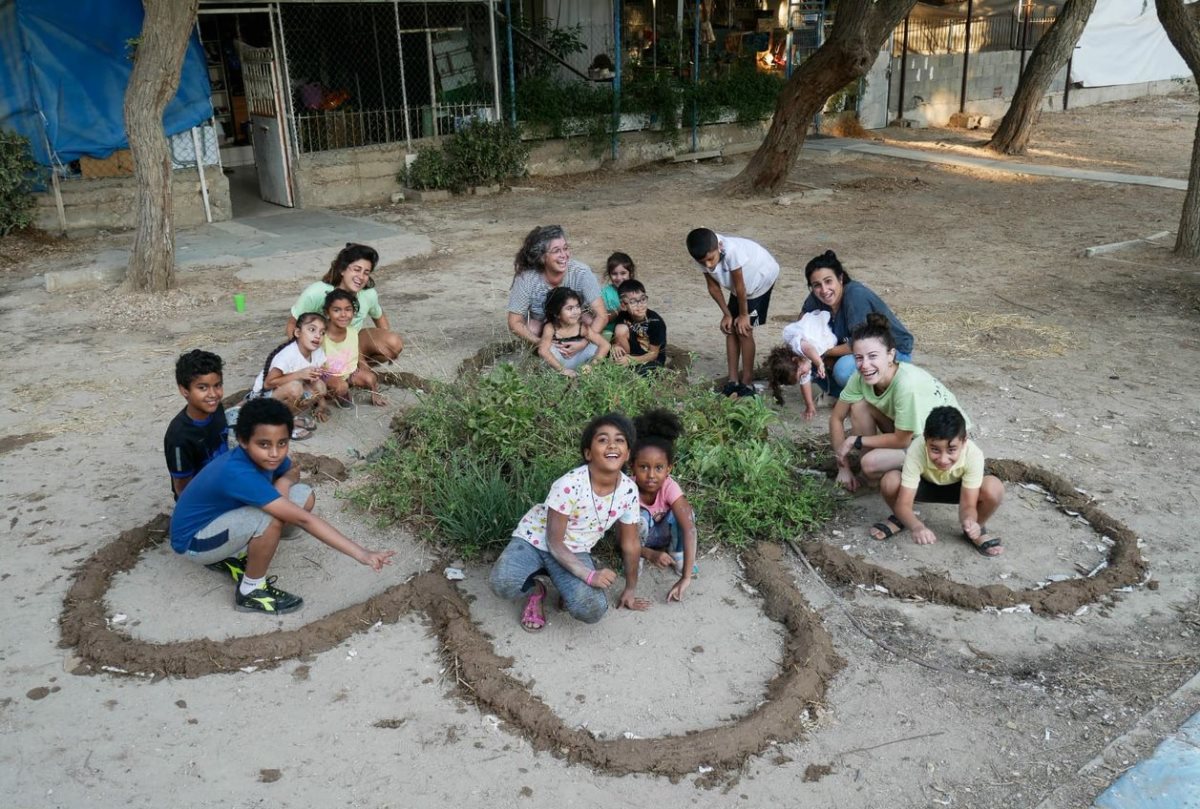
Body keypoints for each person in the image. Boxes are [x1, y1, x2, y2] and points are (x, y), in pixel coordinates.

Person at [168, 397, 395, 613]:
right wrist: (362, 554)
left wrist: (284, 483)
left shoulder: (263, 457)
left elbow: (291, 470)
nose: (275, 453)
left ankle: (239, 551)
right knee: (269, 518)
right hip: (193, 542)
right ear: (243, 441)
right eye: (264, 444)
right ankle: (251, 591)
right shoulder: (237, 472)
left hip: (218, 522)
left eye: (282, 443)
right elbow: (303, 519)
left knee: (304, 494)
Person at [488, 412, 651, 632]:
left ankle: (566, 587)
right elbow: (553, 542)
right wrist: (589, 575)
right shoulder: (569, 484)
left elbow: (631, 544)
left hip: (575, 549)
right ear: (588, 453)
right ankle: (536, 590)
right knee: (502, 583)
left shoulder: (628, 490)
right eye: (603, 440)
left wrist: (630, 588)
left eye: (620, 440)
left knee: (592, 609)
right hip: (535, 541)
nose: (612, 445)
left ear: (628, 453)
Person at [830, 314, 965, 493]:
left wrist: (857, 440)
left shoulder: (906, 384)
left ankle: (886, 476)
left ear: (890, 355)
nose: (865, 365)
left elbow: (902, 439)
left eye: (872, 356)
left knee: (871, 462)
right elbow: (836, 418)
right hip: (908, 432)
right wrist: (843, 467)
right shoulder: (859, 377)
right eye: (859, 358)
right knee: (859, 406)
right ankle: (870, 476)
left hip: (939, 443)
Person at [871, 406, 1005, 557]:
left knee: (993, 487)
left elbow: (968, 505)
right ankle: (901, 518)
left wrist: (970, 520)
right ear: (925, 439)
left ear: (964, 441)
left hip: (958, 490)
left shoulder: (973, 454)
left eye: (952, 450)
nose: (943, 459)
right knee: (890, 481)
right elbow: (904, 503)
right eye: (935, 449)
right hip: (924, 487)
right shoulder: (916, 448)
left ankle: (976, 530)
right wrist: (917, 527)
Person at [800, 250, 914, 399]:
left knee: (843, 370)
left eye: (828, 281)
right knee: (805, 357)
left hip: (891, 352)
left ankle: (875, 396)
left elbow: (860, 344)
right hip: (852, 351)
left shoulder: (855, 296)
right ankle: (844, 396)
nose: (824, 290)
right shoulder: (818, 296)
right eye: (816, 285)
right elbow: (801, 324)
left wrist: (822, 351)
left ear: (840, 278)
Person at [685, 228, 780, 397]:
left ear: (719, 247)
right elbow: (713, 287)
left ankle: (747, 381)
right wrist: (727, 314)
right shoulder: (701, 254)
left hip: (760, 279)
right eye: (703, 262)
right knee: (730, 329)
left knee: (744, 330)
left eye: (710, 259)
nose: (708, 265)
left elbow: (741, 287)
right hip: (740, 286)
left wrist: (744, 315)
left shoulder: (732, 252)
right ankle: (733, 380)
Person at [287, 243, 404, 363]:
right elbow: (292, 323)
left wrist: (384, 337)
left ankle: (355, 369)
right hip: (321, 346)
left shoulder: (369, 294)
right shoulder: (316, 292)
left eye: (366, 272)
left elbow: (379, 316)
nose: (361, 277)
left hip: (351, 345)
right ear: (342, 269)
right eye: (356, 270)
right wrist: (301, 355)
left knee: (393, 344)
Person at [631, 409, 698, 602]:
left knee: (687, 514)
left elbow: (689, 529)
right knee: (640, 517)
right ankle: (637, 558)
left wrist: (685, 577)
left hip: (663, 534)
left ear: (669, 469)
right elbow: (620, 539)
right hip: (637, 542)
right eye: (644, 467)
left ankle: (677, 553)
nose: (651, 475)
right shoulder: (627, 490)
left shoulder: (669, 486)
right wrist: (648, 554)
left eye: (658, 468)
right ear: (632, 466)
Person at [507, 225, 607, 352]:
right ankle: (540, 356)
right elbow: (514, 322)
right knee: (532, 328)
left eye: (565, 248)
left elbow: (602, 315)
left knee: (588, 320)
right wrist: (543, 343)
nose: (564, 255)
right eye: (556, 251)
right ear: (542, 257)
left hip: (576, 323)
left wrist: (584, 341)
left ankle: (582, 351)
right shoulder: (526, 279)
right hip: (543, 328)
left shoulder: (581, 272)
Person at [251, 312, 330, 439]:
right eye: (312, 330)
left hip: (281, 394)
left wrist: (322, 404)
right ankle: (283, 425)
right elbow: (268, 383)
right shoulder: (288, 355)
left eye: (322, 332)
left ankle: (288, 418)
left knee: (320, 386)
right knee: (295, 387)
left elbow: (315, 383)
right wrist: (300, 374)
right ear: (297, 333)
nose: (317, 336)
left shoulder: (317, 353)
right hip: (262, 398)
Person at [164, 349, 229, 499]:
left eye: (217, 385)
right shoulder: (179, 437)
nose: (213, 394)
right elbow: (182, 488)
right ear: (184, 390)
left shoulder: (216, 409)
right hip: (203, 502)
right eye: (202, 388)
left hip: (225, 482)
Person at [765, 310, 838, 420]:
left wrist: (819, 363)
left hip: (826, 325)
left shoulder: (797, 346)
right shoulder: (800, 364)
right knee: (822, 370)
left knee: (829, 366)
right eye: (800, 377)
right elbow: (805, 383)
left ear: (796, 360)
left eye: (801, 373)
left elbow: (809, 348)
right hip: (823, 346)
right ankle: (837, 393)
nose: (804, 375)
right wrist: (809, 405)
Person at [322, 289, 385, 407]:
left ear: (354, 312)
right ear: (327, 313)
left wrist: (374, 390)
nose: (343, 315)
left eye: (348, 309)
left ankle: (340, 389)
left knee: (370, 378)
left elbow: (358, 358)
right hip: (325, 376)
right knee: (341, 387)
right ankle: (330, 394)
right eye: (336, 310)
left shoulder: (352, 333)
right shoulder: (320, 335)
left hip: (348, 373)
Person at [538, 287, 610, 377]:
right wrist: (562, 369)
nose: (575, 312)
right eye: (569, 308)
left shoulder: (581, 327)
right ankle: (557, 376)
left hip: (580, 364)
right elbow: (542, 351)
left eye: (577, 307)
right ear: (556, 314)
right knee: (549, 348)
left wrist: (591, 366)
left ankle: (585, 374)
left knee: (593, 347)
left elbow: (605, 345)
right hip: (558, 365)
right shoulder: (551, 327)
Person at [610, 279, 667, 373]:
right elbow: (617, 337)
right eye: (633, 302)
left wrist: (630, 360)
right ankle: (623, 364)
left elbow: (653, 354)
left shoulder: (656, 322)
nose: (640, 305)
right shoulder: (623, 315)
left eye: (643, 299)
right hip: (631, 353)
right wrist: (616, 345)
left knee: (644, 373)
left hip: (651, 359)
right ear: (623, 305)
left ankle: (627, 366)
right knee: (620, 330)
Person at [600, 252, 636, 339]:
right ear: (609, 274)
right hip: (608, 332)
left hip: (628, 331)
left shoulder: (635, 290)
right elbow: (602, 317)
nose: (619, 278)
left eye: (623, 273)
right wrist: (618, 310)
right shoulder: (605, 292)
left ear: (630, 273)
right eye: (614, 274)